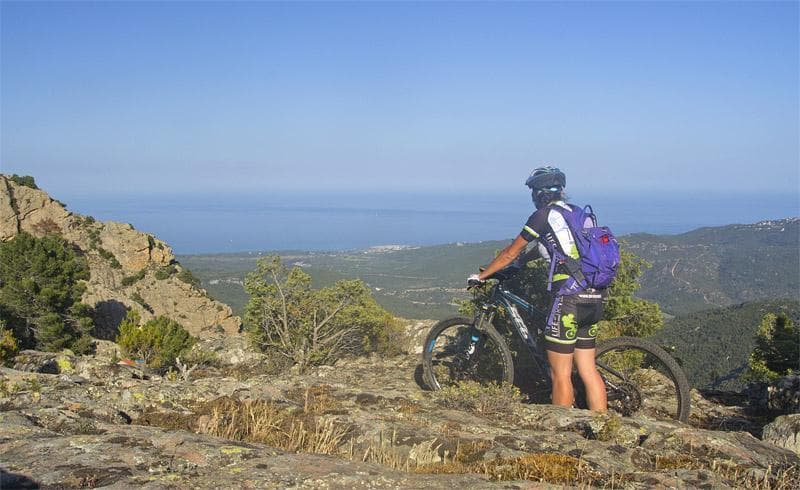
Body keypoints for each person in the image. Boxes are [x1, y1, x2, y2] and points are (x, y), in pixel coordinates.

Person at [468, 166, 607, 412]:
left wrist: (482, 275)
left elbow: (511, 252)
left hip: (568, 299)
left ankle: (561, 436)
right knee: (588, 370)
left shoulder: (543, 216)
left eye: (533, 192)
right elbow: (555, 249)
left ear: (539, 194)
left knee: (560, 374)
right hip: (594, 295)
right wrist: (524, 262)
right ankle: (604, 427)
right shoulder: (578, 213)